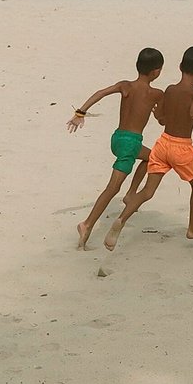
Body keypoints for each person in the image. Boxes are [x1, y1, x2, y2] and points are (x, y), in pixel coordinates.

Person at [104, 45, 193, 250]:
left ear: (180, 67)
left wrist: (158, 114)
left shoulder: (169, 90)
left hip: (163, 143)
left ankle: (122, 220)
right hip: (181, 148)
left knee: (147, 192)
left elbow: (161, 118)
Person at [67, 46, 165, 250]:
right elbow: (163, 119)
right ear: (156, 71)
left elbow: (100, 93)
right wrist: (158, 114)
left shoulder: (125, 85)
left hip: (118, 138)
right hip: (130, 143)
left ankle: (130, 194)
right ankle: (87, 224)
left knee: (153, 157)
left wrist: (80, 112)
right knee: (112, 188)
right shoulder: (155, 93)